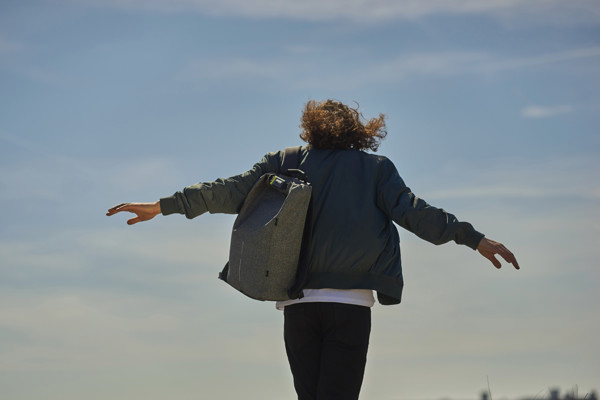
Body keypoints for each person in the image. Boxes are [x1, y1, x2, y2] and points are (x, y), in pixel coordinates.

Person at [107, 99, 519, 400]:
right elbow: (416, 214)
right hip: (351, 306)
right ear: (361, 131)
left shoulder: (284, 161)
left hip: (297, 304)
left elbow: (227, 192)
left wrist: (164, 206)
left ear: (310, 128)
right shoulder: (376, 169)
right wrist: (473, 238)